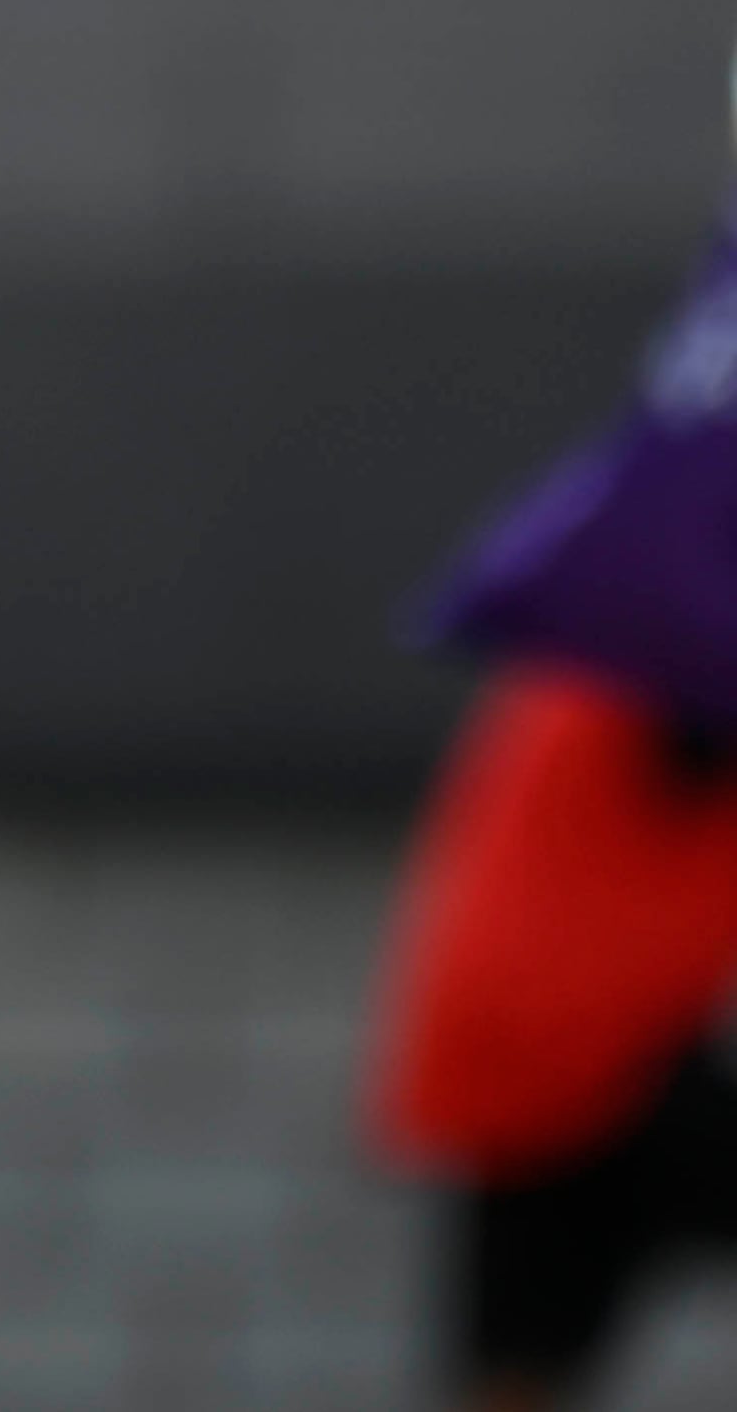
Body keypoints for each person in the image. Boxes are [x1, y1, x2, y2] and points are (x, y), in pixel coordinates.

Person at [374, 168, 737, 1409]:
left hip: (529, 1056)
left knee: (516, 1360)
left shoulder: (619, 628)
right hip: (571, 1060)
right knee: (518, 1359)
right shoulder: (664, 655)